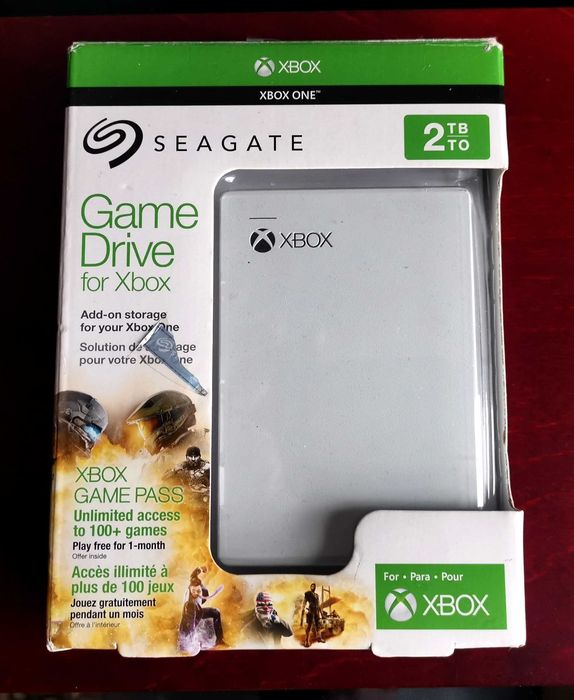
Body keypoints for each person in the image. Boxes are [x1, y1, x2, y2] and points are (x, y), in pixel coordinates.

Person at [178, 567, 223, 652]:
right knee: (190, 629)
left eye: (198, 591)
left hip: (199, 610)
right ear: (190, 589)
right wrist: (189, 642)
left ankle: (219, 641)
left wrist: (201, 569)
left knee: (216, 612)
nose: (196, 593)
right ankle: (186, 645)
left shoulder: (197, 583)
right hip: (192, 614)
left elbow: (193, 574)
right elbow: (190, 625)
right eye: (193, 591)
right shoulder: (189, 604)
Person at [301, 582, 325, 647]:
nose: (312, 587)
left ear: (315, 588)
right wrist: (303, 608)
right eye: (311, 586)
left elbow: (318, 605)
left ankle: (319, 638)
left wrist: (321, 614)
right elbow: (305, 601)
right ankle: (306, 641)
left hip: (316, 611)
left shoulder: (317, 595)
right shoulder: (308, 593)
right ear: (310, 587)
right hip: (311, 611)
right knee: (309, 626)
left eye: (313, 586)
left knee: (318, 626)